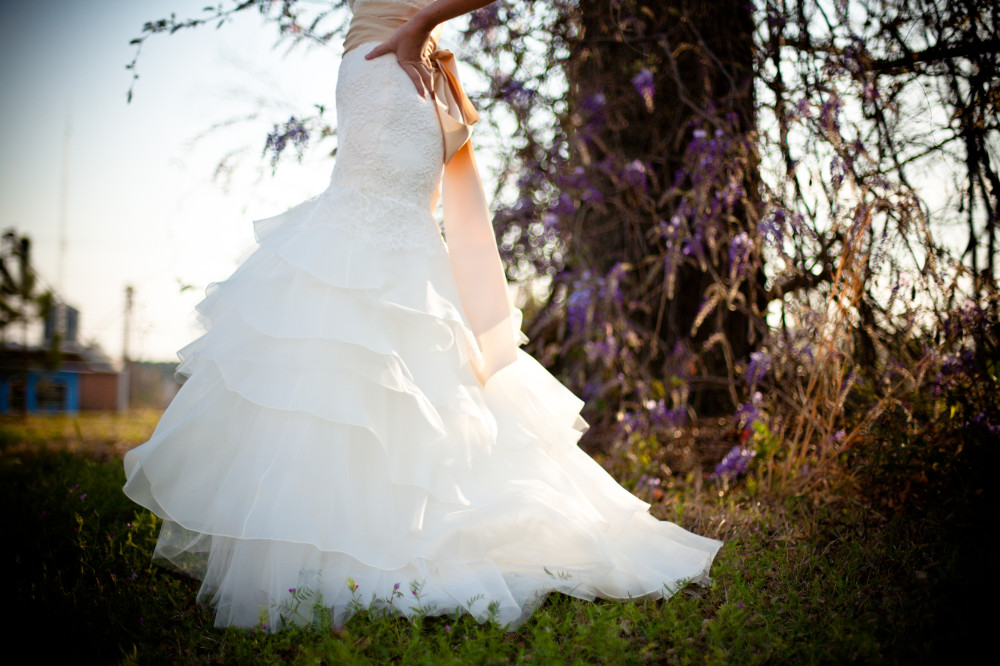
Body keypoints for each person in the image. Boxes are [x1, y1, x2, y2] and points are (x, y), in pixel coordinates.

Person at [122, 0, 721, 631]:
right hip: (378, 71)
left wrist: (416, 27)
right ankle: (357, 533)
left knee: (375, 254)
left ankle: (373, 545)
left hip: (395, 70)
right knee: (360, 274)